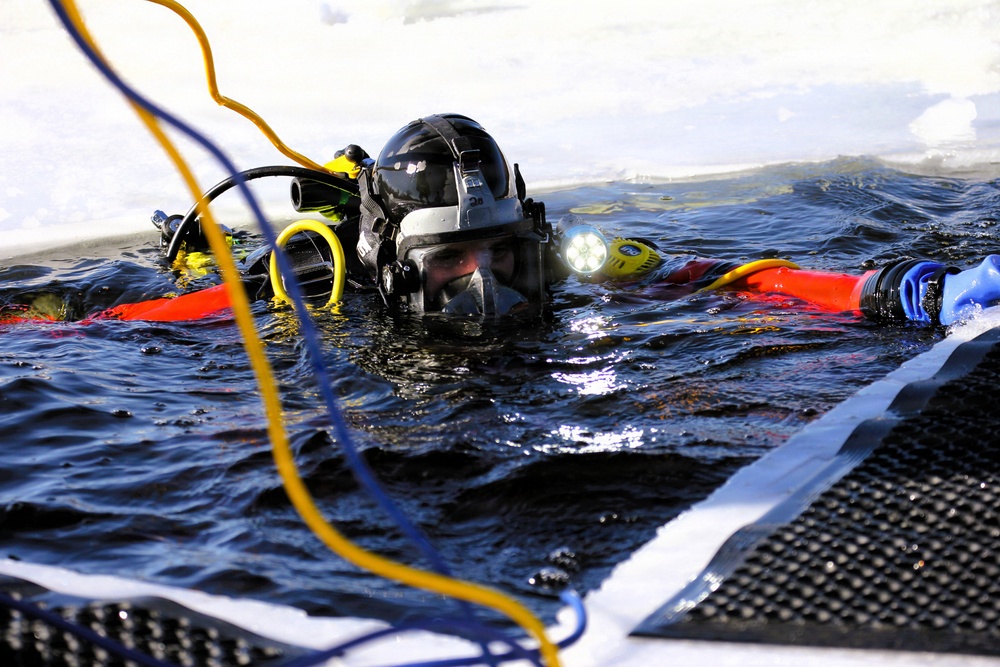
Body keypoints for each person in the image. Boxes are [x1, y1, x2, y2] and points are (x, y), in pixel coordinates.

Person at [4, 113, 1000, 327]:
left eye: (503, 254)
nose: (485, 281)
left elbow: (730, 278)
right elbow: (112, 326)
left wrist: (893, 289)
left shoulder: (563, 265)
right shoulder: (316, 288)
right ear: (393, 260)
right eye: (451, 262)